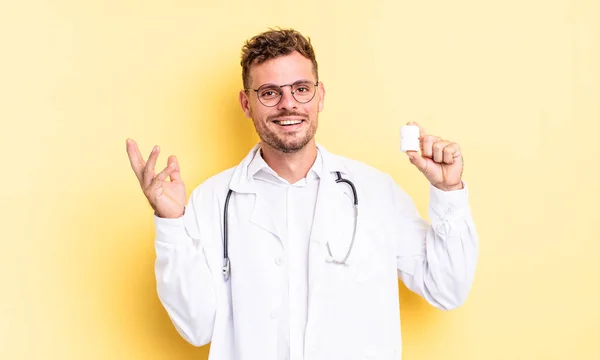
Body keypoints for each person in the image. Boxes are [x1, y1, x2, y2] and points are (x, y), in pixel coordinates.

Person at [126, 28, 478, 360]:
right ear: (246, 104)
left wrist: (448, 191)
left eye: (300, 89)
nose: (287, 104)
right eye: (269, 92)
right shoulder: (213, 201)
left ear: (319, 95)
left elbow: (447, 289)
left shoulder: (376, 192)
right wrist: (171, 223)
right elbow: (196, 328)